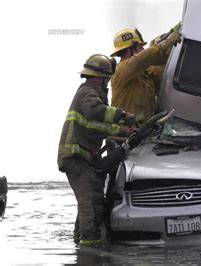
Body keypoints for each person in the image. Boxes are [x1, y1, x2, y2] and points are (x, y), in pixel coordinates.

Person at [57, 54, 136, 246]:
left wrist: (119, 133)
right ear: (102, 77)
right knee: (91, 201)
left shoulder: (91, 92)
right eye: (106, 78)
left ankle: (80, 244)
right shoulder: (88, 92)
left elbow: (94, 126)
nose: (106, 82)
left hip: (82, 157)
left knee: (89, 200)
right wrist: (122, 116)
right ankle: (89, 251)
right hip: (75, 156)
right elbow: (95, 111)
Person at [110, 27, 182, 125]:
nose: (143, 49)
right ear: (131, 49)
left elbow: (161, 71)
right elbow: (142, 59)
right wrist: (164, 44)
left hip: (142, 135)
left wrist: (170, 51)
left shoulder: (145, 72)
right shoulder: (120, 71)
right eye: (140, 46)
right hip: (124, 136)